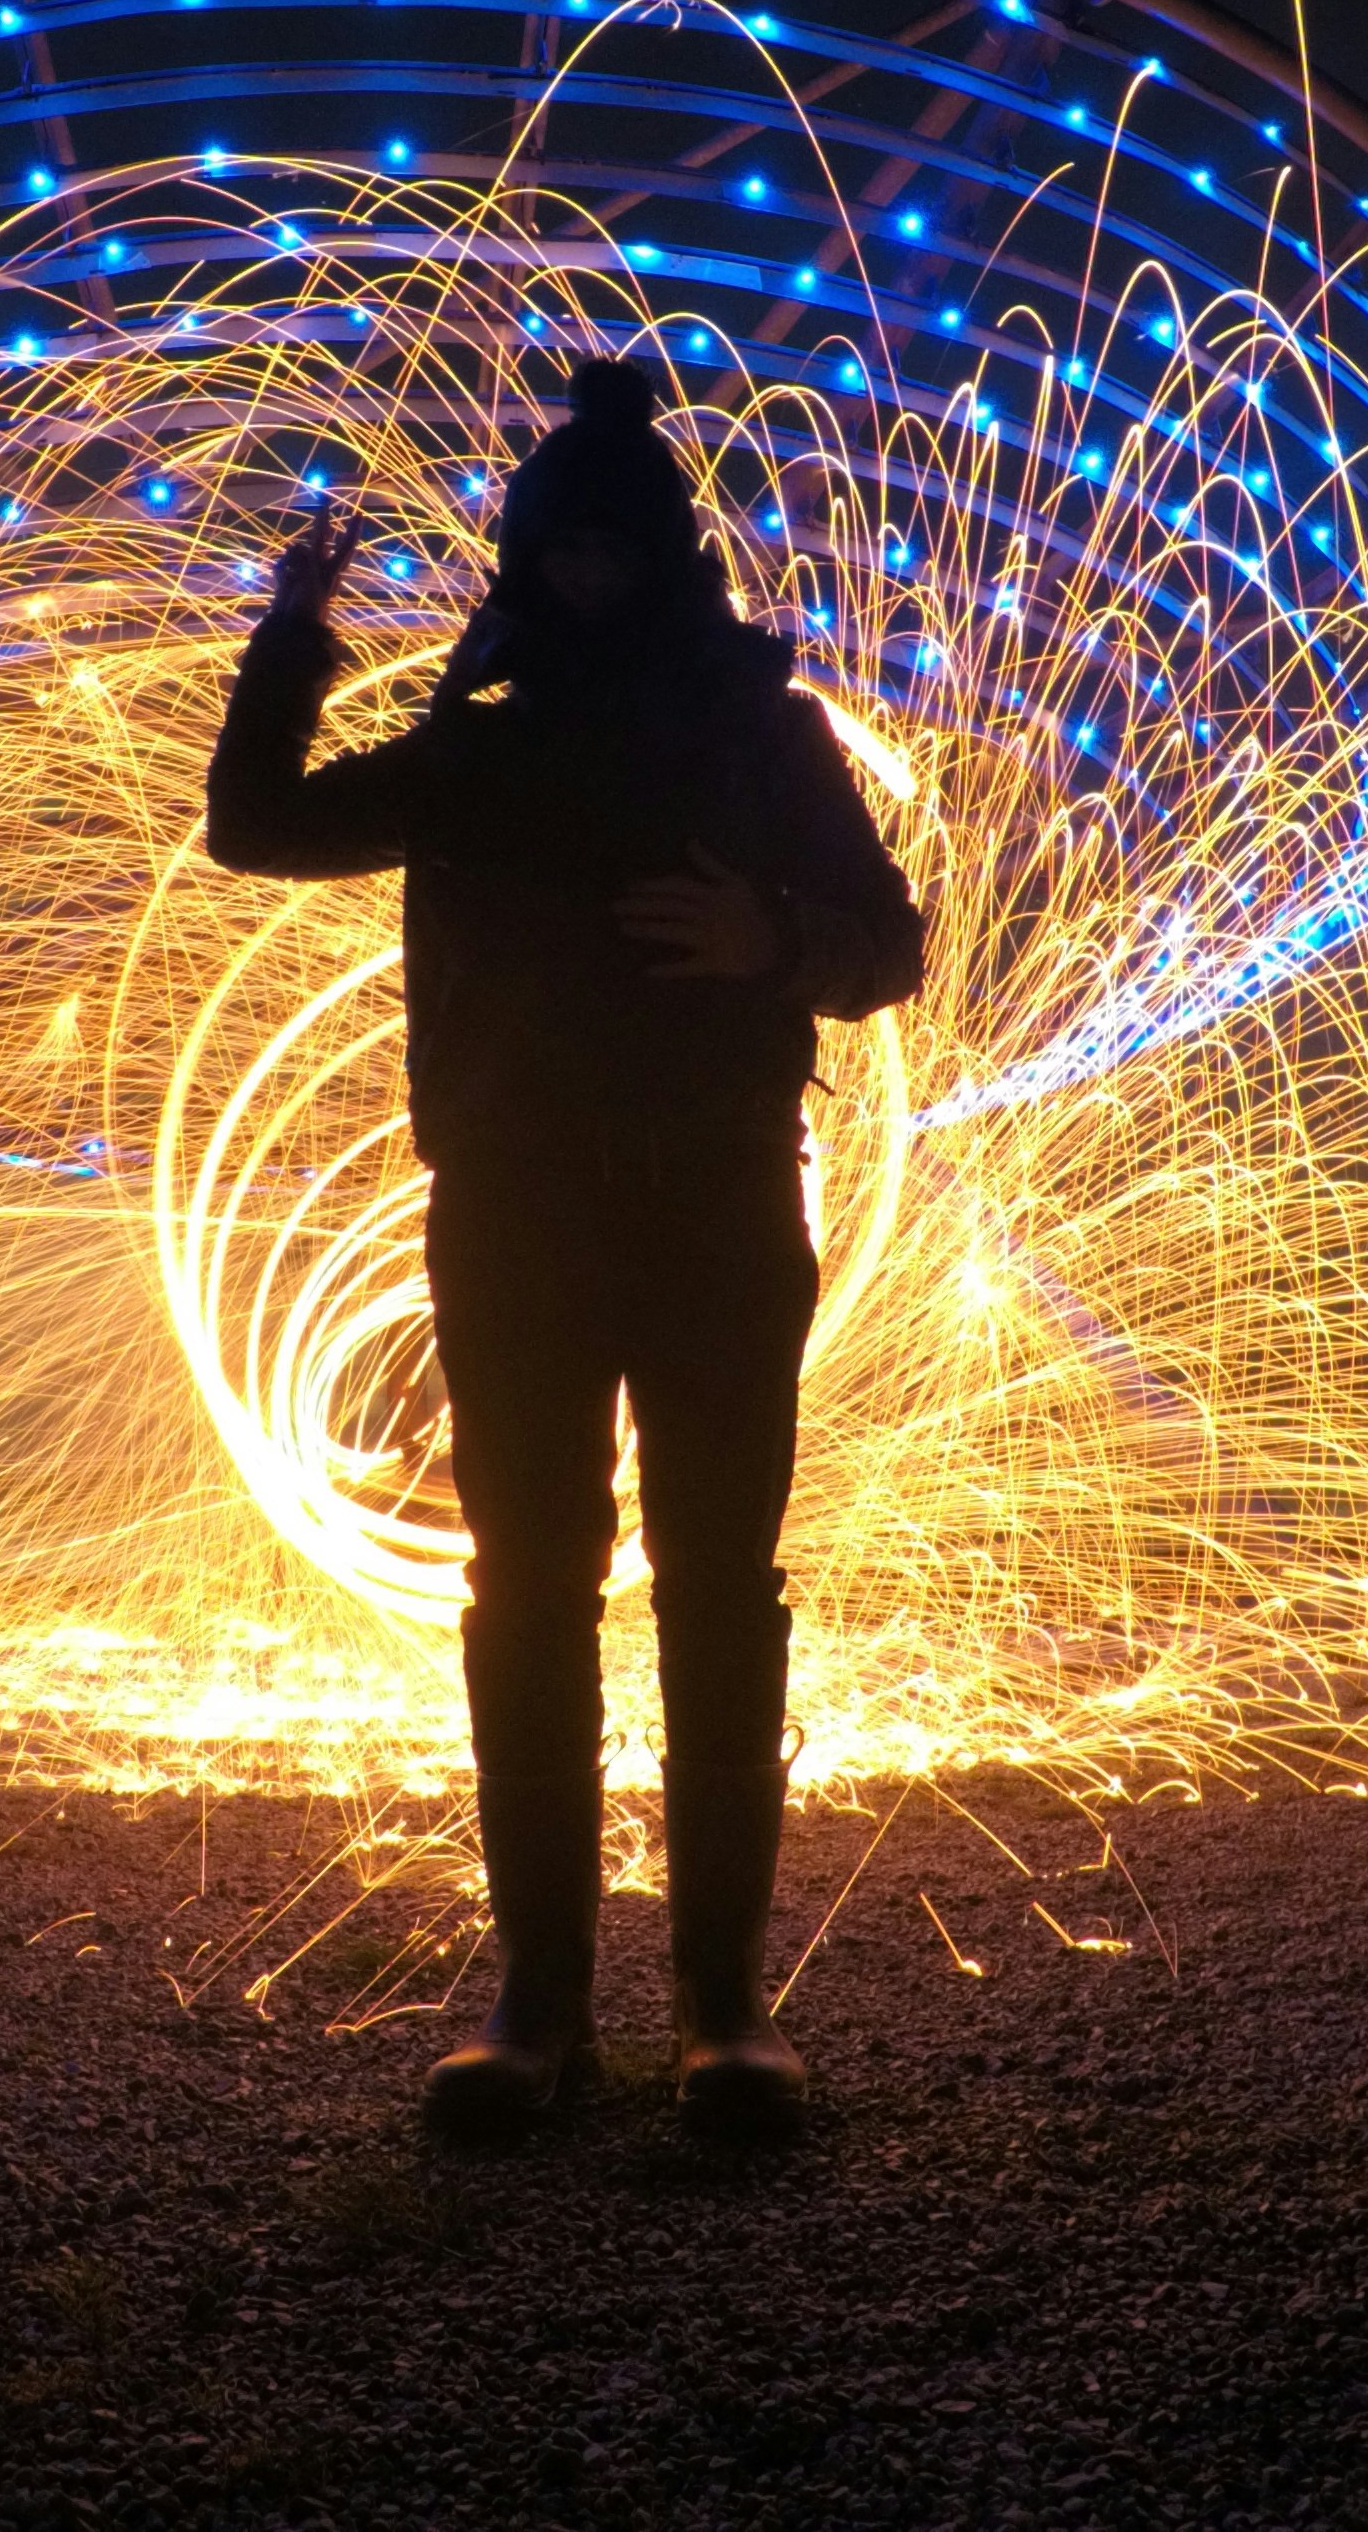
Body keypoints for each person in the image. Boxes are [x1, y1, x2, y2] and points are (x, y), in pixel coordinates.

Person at [204, 356, 925, 2134]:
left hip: (720, 1202)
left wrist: (772, 937)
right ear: (528, 560)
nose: (591, 578)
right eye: (565, 551)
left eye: (619, 551)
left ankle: (721, 2008)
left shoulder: (768, 738)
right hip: (515, 1213)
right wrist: (296, 627)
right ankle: (537, 1998)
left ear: (664, 557)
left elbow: (890, 944)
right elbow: (253, 827)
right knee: (527, 1585)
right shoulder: (480, 749)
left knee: (716, 1590)